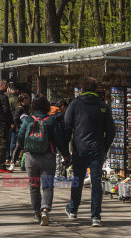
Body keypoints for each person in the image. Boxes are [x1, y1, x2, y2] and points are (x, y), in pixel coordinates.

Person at [64, 77, 116, 227]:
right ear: (95, 89)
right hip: (97, 149)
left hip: (80, 149)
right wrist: (104, 148)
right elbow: (111, 131)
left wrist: (66, 149)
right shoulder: (103, 106)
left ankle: (73, 210)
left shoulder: (74, 105)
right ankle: (95, 217)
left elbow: (67, 127)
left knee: (77, 180)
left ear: (81, 89)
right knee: (96, 182)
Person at [17, 94, 71, 226]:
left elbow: (20, 137)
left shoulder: (28, 120)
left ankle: (36, 213)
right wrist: (66, 154)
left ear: (33, 106)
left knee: (34, 186)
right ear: (46, 105)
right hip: (48, 157)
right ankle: (45, 210)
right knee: (47, 186)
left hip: (31, 157)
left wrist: (25, 149)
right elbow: (58, 139)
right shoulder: (50, 120)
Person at [0, 79, 14, 173]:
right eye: (6, 85)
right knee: (3, 145)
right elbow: (6, 111)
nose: (7, 87)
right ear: (1, 85)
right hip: (2, 124)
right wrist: (11, 122)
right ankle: (1, 166)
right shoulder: (3, 97)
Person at [10, 93, 31, 171]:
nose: (29, 100)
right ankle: (13, 163)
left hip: (27, 130)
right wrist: (22, 122)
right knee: (18, 147)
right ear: (24, 100)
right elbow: (15, 119)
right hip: (20, 130)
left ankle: (25, 164)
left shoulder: (28, 108)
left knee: (26, 147)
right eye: (28, 99)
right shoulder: (19, 109)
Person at [6, 84, 20, 164]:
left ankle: (7, 157)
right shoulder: (15, 99)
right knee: (13, 140)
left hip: (6, 121)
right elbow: (16, 112)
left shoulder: (6, 97)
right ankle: (12, 157)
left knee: (7, 140)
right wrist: (14, 122)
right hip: (13, 121)